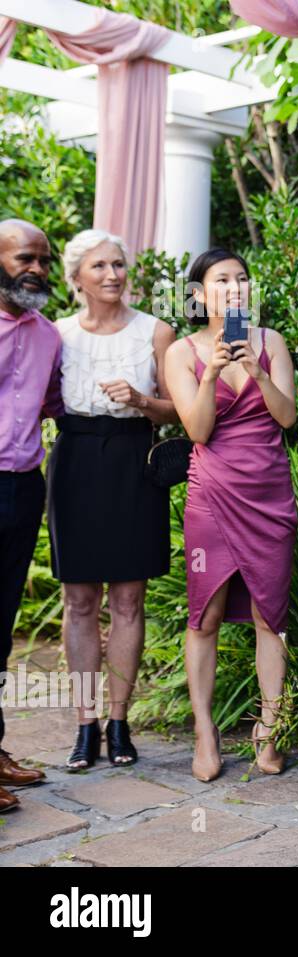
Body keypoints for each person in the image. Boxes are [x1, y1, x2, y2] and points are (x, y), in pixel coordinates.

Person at [163, 248, 298, 782]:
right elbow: (197, 431)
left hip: (268, 495)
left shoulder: (272, 343)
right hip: (213, 496)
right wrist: (210, 374)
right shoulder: (181, 352)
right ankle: (205, 730)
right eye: (222, 280)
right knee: (207, 615)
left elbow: (286, 418)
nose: (236, 287)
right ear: (199, 295)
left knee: (271, 616)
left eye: (242, 279)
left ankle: (272, 725)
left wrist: (255, 373)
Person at [49, 229, 178, 770]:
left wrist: (143, 399)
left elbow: (181, 410)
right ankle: (86, 726)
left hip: (134, 461)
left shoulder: (156, 331)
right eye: (99, 266)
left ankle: (120, 723)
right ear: (76, 277)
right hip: (76, 462)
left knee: (128, 600)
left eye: (119, 265)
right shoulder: (53, 335)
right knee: (79, 601)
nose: (112, 275)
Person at [0, 219, 61, 812]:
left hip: (22, 488)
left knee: (2, 627)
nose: (37, 269)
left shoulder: (48, 335)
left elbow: (51, 404)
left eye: (44, 260)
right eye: (25, 257)